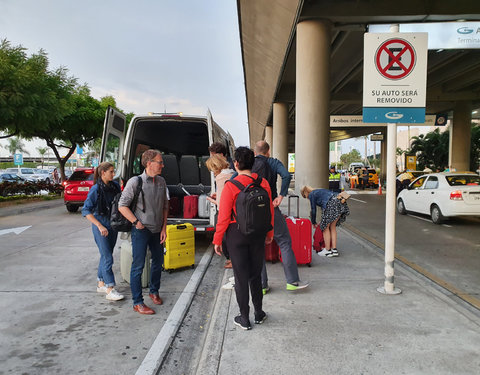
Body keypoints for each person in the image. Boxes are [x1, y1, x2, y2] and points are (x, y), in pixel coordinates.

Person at [213, 146, 274, 330]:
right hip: (258, 234)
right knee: (256, 275)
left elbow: (223, 217)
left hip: (236, 234)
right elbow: (269, 211)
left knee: (240, 277)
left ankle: (244, 318)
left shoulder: (231, 186)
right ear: (253, 163)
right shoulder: (263, 184)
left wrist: (217, 240)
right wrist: (269, 234)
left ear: (236, 163)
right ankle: (259, 313)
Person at [253, 140, 309, 293]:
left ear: (255, 152)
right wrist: (282, 195)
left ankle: (262, 286)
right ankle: (292, 282)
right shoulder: (273, 162)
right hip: (271, 207)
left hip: (252, 210)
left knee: (257, 247)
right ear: (268, 151)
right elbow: (286, 176)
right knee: (284, 242)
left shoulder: (249, 163)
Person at [118, 149, 169, 315]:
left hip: (157, 230)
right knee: (138, 266)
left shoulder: (161, 181)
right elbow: (122, 205)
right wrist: (136, 222)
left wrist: (164, 227)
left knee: (157, 263)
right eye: (159, 162)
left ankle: (154, 291)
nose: (162, 165)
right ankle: (138, 302)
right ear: (149, 163)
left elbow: (165, 206)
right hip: (141, 230)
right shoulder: (135, 182)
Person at [82, 162, 124, 301]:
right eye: (111, 172)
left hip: (113, 224)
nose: (113, 174)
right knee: (107, 257)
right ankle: (110, 289)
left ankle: (101, 283)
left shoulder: (115, 186)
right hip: (100, 225)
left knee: (106, 254)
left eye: (113, 171)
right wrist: (99, 226)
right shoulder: (96, 189)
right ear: (103, 173)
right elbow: (86, 211)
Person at [300, 186, 350, 257]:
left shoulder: (311, 195)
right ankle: (334, 250)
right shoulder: (319, 191)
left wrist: (313, 222)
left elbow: (313, 210)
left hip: (331, 204)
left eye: (305, 197)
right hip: (340, 202)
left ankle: (327, 250)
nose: (307, 198)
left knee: (325, 228)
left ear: (305, 193)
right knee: (332, 227)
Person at [205, 154, 235, 271]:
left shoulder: (220, 177)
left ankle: (232, 260)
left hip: (225, 212)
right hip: (235, 212)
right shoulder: (231, 173)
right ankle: (232, 259)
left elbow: (223, 203)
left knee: (225, 238)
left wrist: (212, 200)